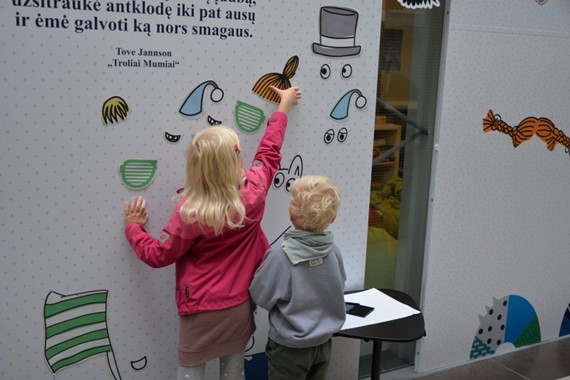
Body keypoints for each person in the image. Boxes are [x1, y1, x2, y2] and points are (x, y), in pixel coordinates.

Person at [122, 85, 302, 380]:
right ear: (236, 159)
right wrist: (283, 107)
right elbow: (269, 152)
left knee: (191, 372)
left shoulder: (190, 212)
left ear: (196, 168)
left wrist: (133, 228)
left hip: (201, 310)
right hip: (240, 305)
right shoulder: (254, 190)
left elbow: (157, 254)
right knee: (233, 372)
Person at [249, 175, 346, 380]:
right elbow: (339, 285)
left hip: (290, 348)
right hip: (323, 343)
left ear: (291, 214)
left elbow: (260, 295)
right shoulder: (334, 252)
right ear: (333, 218)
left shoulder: (280, 257)